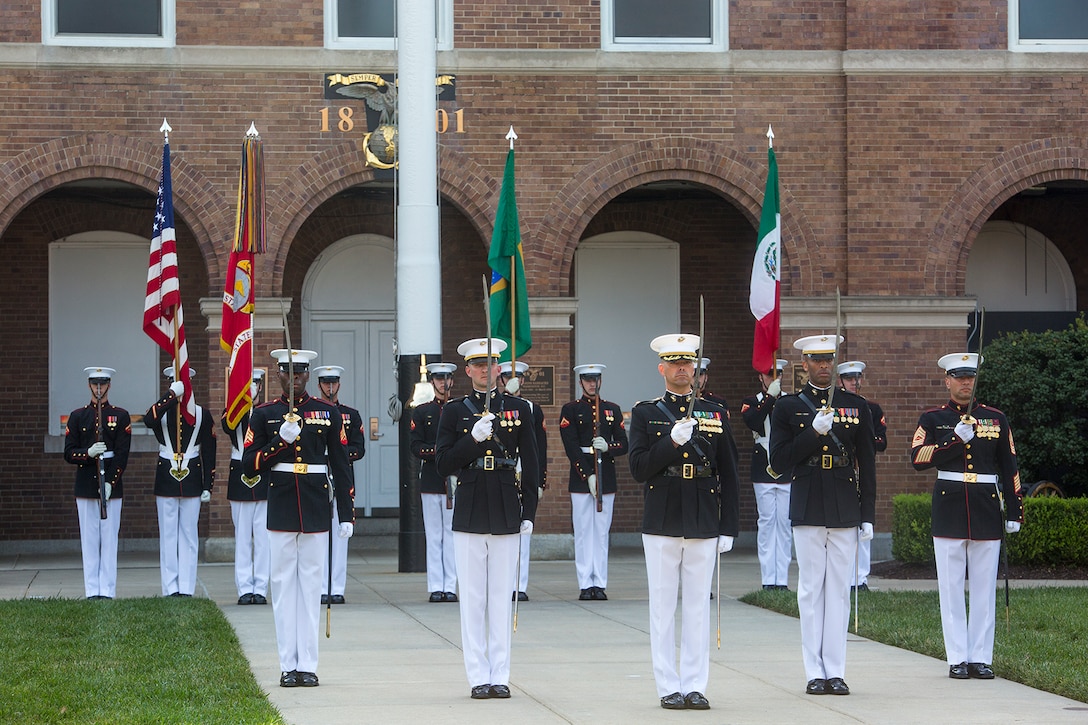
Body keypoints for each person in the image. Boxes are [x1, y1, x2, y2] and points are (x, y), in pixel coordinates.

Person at [628, 333, 741, 711]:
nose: (681, 369)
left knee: (697, 607)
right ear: (662, 369)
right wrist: (671, 444)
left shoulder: (715, 412)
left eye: (687, 362)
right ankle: (667, 685)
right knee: (663, 607)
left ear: (695, 367)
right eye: (673, 363)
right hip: (662, 517)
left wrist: (729, 526)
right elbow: (640, 469)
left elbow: (730, 472)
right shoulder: (646, 413)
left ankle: (694, 684)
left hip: (704, 517)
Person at [768, 334, 876, 697]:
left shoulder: (856, 405)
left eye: (829, 359)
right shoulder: (786, 408)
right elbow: (779, 462)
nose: (825, 365)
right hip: (809, 500)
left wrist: (868, 515)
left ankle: (837, 670)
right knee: (812, 589)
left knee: (839, 592)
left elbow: (868, 466)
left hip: (845, 500)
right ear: (804, 365)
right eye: (817, 360)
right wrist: (814, 433)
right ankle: (814, 670)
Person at [243, 349, 355, 688]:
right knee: (282, 586)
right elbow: (250, 464)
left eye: (300, 373)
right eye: (287, 373)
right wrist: (280, 441)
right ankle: (287, 664)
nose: (293, 379)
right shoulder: (264, 414)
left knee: (310, 587)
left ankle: (308, 663)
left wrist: (346, 513)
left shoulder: (327, 413)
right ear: (278, 375)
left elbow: (341, 463)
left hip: (316, 503)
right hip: (280, 503)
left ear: (308, 376)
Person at [436, 338, 539, 701]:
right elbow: (442, 463)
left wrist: (529, 512)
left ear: (499, 369)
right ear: (467, 370)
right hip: (470, 505)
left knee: (500, 597)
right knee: (474, 599)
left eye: (490, 364)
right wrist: (473, 441)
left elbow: (532, 462)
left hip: (507, 504)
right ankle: (478, 675)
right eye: (477, 365)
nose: (484, 370)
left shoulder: (519, 408)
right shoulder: (454, 411)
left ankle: (500, 675)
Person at [910, 352, 1023, 680]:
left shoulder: (996, 419)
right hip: (950, 506)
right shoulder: (933, 418)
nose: (965, 383)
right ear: (947, 381)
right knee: (951, 587)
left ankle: (980, 657)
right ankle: (957, 656)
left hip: (986, 506)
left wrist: (1015, 509)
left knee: (985, 589)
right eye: (959, 377)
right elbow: (918, 458)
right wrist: (954, 438)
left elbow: (1010, 465)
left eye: (970, 377)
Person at [559, 363, 629, 601]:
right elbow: (570, 447)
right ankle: (584, 582)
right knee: (583, 531)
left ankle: (599, 582)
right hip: (581, 478)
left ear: (600, 381)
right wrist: (586, 474)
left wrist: (608, 447)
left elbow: (624, 444)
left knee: (601, 532)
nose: (592, 384)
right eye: (588, 380)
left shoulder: (612, 409)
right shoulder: (570, 410)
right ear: (581, 382)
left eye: (595, 380)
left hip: (606, 476)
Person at [145, 366, 215, 598]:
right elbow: (148, 419)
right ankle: (170, 587)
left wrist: (208, 485)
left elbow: (209, 452)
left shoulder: (201, 414)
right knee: (168, 536)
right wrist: (170, 396)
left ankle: (186, 587)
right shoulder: (162, 412)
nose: (180, 386)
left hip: (192, 476)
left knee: (189, 535)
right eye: (175, 382)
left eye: (183, 382)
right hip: (167, 475)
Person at [64, 366, 132, 600]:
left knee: (110, 538)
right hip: (85, 483)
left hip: (111, 483)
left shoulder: (120, 415)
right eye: (95, 384)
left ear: (109, 386)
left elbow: (123, 454)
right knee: (90, 538)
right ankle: (92, 590)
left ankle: (108, 590)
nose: (99, 388)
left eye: (103, 384)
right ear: (89, 385)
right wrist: (88, 452)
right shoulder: (77, 416)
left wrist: (112, 481)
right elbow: (69, 452)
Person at [313, 365, 365, 605]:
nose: (330, 387)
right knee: (321, 533)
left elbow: (359, 448)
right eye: (325, 383)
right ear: (319, 385)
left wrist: (338, 454)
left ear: (339, 385)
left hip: (342, 477)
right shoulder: (313, 413)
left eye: (333, 383)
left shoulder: (350, 415)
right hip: (319, 476)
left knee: (341, 531)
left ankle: (338, 587)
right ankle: (322, 585)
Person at [740, 358, 793, 590]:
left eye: (777, 374)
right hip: (763, 466)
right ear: (761, 378)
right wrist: (770, 397)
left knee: (784, 523)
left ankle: (781, 578)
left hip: (786, 466)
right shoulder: (752, 402)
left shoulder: (791, 402)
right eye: (770, 374)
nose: (775, 378)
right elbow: (752, 421)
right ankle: (767, 578)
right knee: (766, 522)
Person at [410, 361, 460, 603]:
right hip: (432, 479)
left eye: (447, 378)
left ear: (452, 381)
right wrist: (441, 453)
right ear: (432, 382)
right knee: (434, 534)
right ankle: (435, 586)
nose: (443, 383)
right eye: (439, 379)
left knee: (452, 535)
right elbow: (416, 446)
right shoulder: (422, 412)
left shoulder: (461, 409)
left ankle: (450, 585)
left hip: (455, 480)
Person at [498, 359, 547, 602]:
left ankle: (520, 584)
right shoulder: (499, 405)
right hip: (505, 471)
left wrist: (539, 481)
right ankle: (505, 582)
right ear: (502, 380)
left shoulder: (532, 408)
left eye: (516, 377)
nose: (512, 380)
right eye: (507, 377)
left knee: (524, 530)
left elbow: (540, 449)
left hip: (524, 471)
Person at [837, 360, 888, 592]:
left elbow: (881, 441)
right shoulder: (837, 406)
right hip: (844, 469)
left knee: (864, 523)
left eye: (857, 379)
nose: (854, 383)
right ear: (841, 381)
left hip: (862, 468)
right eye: (849, 379)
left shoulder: (871, 408)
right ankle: (845, 576)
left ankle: (860, 578)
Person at [223, 369, 270, 606]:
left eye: (256, 384)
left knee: (263, 538)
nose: (253, 388)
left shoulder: (268, 411)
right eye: (249, 384)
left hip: (262, 474)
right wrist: (242, 404)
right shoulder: (233, 412)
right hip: (239, 472)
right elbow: (227, 426)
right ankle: (244, 588)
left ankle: (260, 587)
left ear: (261, 386)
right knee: (242, 537)